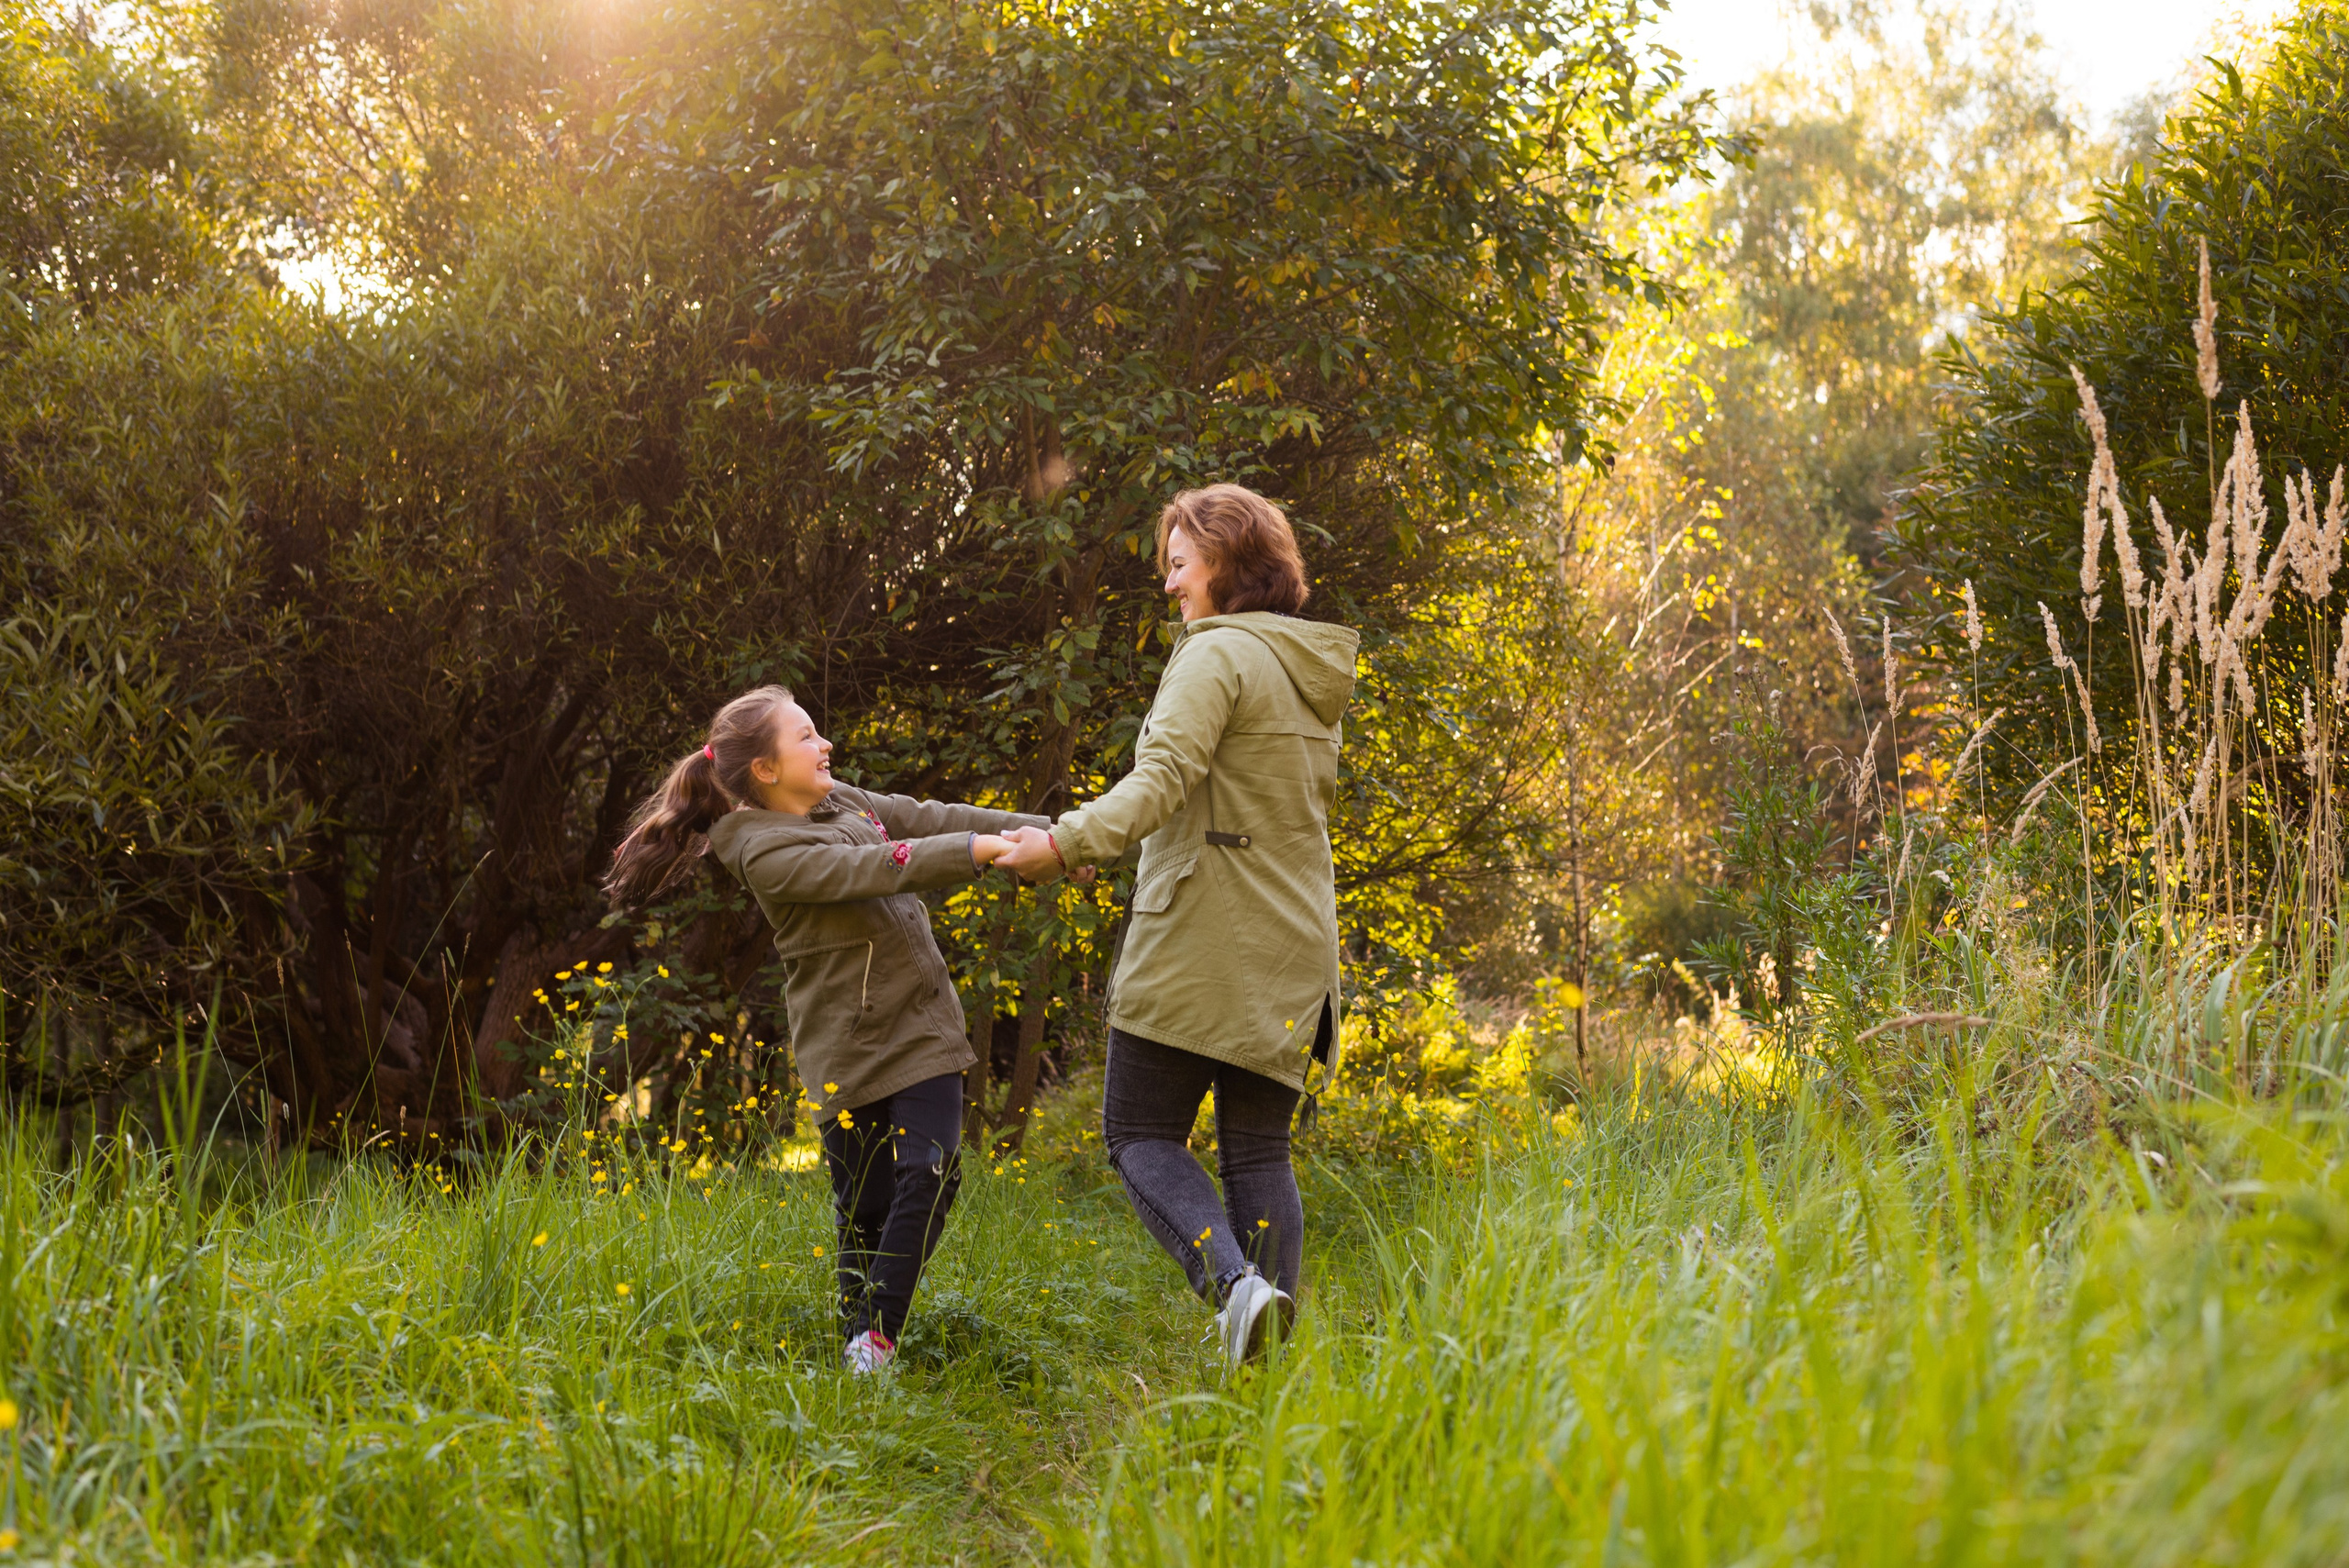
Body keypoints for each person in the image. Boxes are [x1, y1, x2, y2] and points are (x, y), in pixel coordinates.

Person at [996, 484, 1358, 1367]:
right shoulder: (1307, 670)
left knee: (1138, 1132)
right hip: (1294, 946)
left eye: (1179, 564)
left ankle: (1236, 1290)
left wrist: (1062, 840)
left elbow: (1159, 781)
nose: (1170, 586)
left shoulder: (1216, 654)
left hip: (1205, 937)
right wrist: (1092, 838)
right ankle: (1265, 1358)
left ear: (1226, 562)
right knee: (1258, 1151)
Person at [604, 686, 1048, 1374]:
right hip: (845, 1043)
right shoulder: (759, 851)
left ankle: (876, 1340)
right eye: (807, 736)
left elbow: (928, 814)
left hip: (923, 1026)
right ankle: (856, 1345)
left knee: (931, 1172)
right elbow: (866, 868)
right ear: (766, 770)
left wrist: (1049, 831)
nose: (826, 746)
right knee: (864, 1208)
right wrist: (979, 850)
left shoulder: (842, 800)